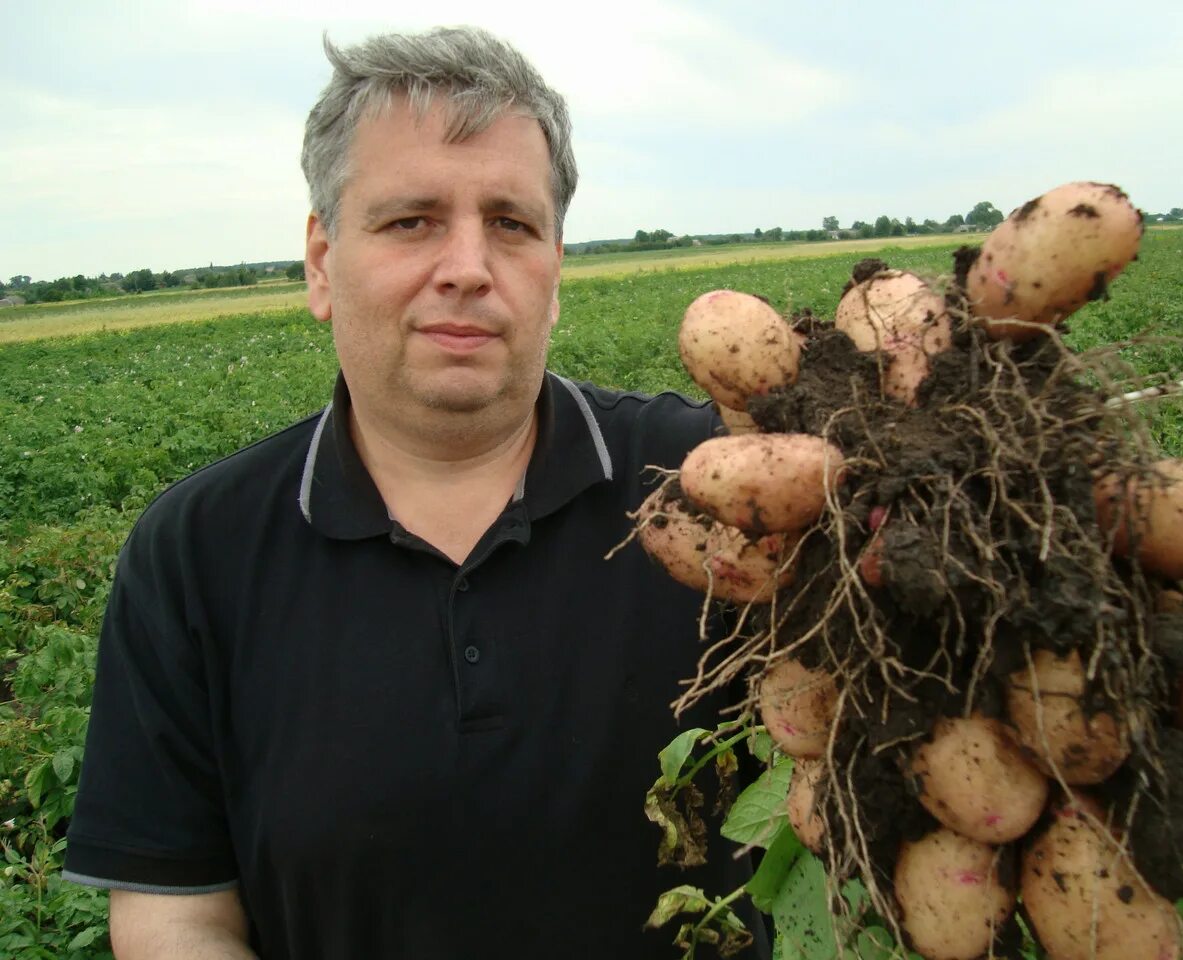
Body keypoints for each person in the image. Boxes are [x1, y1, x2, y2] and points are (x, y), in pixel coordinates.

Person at [63, 26, 767, 960]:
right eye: (412, 221)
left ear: (556, 271)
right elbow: (175, 913)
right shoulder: (195, 550)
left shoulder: (713, 484)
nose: (469, 267)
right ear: (322, 263)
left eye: (511, 224)